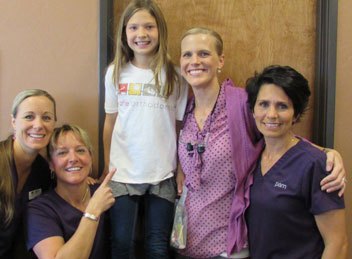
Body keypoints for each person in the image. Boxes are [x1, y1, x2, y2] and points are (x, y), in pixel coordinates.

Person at [176, 27, 347, 259]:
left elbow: (277, 130)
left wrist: (327, 153)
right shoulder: (181, 107)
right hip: (187, 241)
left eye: (204, 53)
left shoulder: (242, 104)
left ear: (220, 60)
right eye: (187, 54)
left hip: (228, 246)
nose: (194, 61)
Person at [103, 0, 188, 257]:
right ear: (124, 33)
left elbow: (182, 127)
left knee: (157, 246)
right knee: (121, 244)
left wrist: (182, 170)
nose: (141, 34)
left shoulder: (175, 75)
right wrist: (106, 165)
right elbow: (110, 121)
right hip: (122, 173)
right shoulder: (115, 73)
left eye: (149, 27)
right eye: (134, 27)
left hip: (163, 172)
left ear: (160, 30)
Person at [245, 65, 348, 258]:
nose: (271, 114)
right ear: (253, 110)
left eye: (282, 106)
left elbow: (338, 243)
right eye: (264, 104)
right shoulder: (251, 158)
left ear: (296, 114)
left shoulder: (317, 164)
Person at [26, 124, 116, 259]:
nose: (73, 158)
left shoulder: (106, 195)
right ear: (51, 164)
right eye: (62, 153)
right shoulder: (40, 209)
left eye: (80, 150)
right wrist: (93, 211)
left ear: (90, 157)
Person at [0, 89, 57, 259]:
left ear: (54, 124)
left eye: (46, 117)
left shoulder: (42, 171)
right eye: (29, 117)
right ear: (13, 121)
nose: (38, 125)